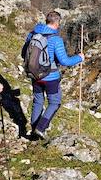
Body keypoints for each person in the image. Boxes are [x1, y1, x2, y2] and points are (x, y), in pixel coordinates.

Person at [25, 10, 84, 142]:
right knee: (54, 103)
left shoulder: (33, 34)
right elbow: (65, 61)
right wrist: (79, 58)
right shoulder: (55, 39)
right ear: (57, 23)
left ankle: (34, 131)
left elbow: (24, 52)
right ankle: (40, 128)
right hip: (50, 77)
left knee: (38, 101)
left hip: (35, 75)